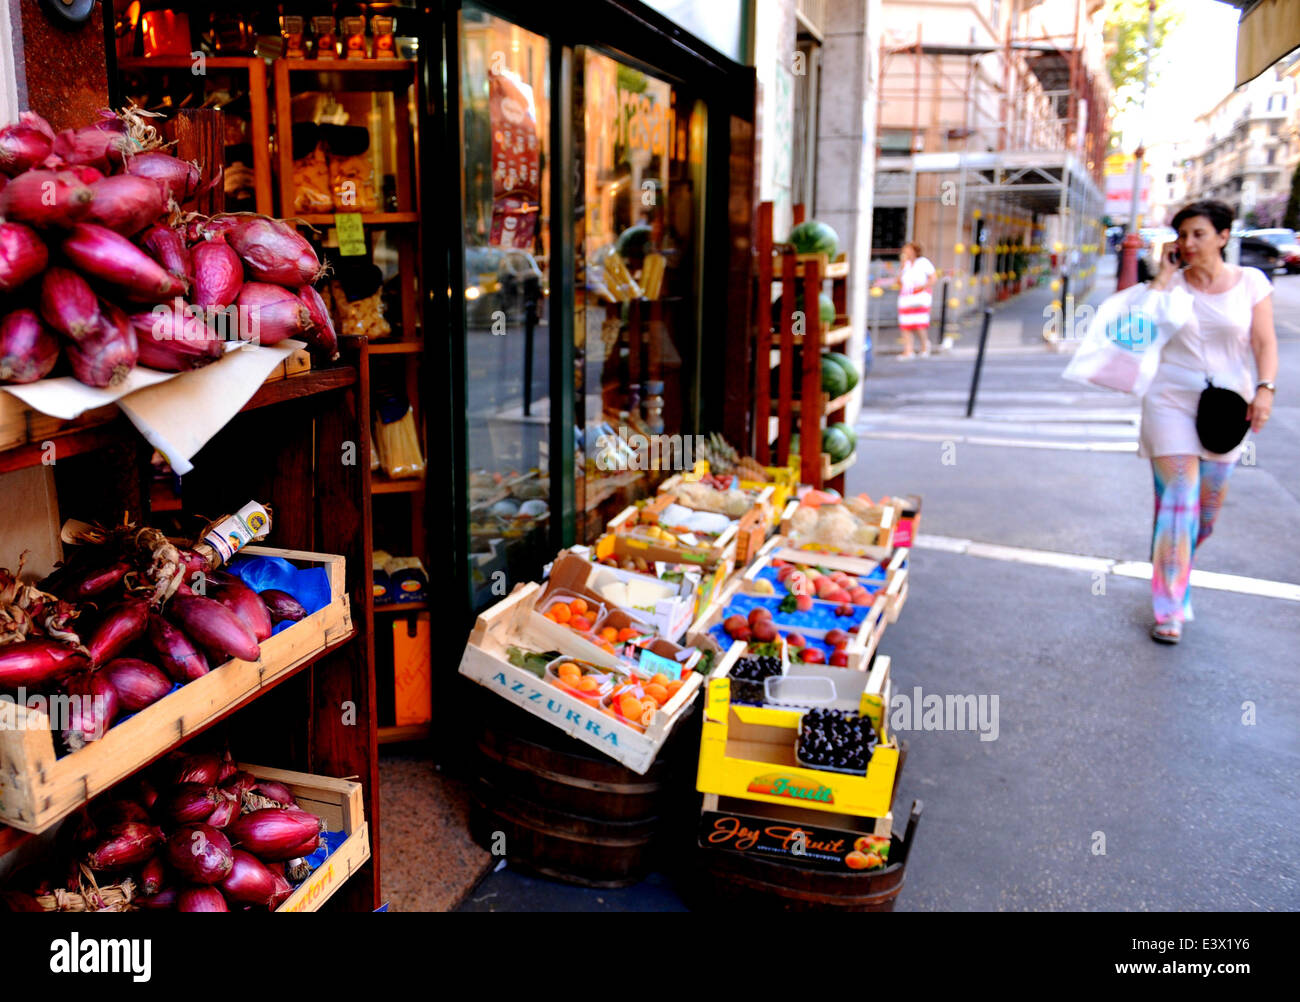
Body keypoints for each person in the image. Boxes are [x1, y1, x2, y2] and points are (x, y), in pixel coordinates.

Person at [1139, 200, 1277, 643]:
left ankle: (1171, 556)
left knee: (1206, 514)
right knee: (1180, 498)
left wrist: (1265, 388)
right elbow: (1141, 331)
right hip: (1170, 399)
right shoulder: (1170, 286)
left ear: (1222, 236)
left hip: (1225, 404)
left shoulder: (1251, 283)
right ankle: (1170, 609)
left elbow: (1263, 341)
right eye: (1182, 235)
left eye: (1198, 234)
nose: (1188, 243)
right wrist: (1163, 276)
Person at [896, 241, 936, 359]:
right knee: (906, 324)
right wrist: (902, 266)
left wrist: (923, 286)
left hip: (920, 296)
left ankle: (925, 346)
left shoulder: (923, 263)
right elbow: (899, 281)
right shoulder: (906, 264)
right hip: (906, 296)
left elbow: (933, 278)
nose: (905, 252)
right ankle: (908, 350)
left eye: (908, 250)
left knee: (919, 324)